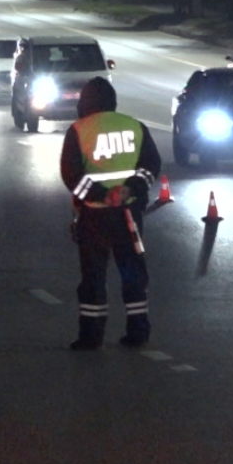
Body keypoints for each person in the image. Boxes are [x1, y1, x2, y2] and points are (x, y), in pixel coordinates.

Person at [60, 77, 161, 350]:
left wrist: (100, 195)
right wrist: (129, 190)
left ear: (85, 103)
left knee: (93, 276)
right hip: (129, 215)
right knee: (133, 273)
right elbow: (150, 166)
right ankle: (138, 330)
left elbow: (71, 176)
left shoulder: (79, 130)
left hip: (94, 216)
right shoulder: (135, 126)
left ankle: (91, 336)